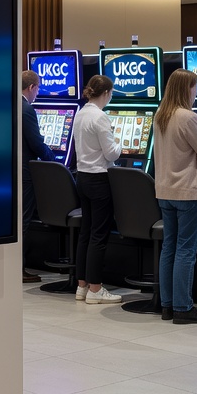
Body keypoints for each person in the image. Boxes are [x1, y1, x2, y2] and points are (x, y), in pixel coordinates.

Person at [152, 69, 197, 323]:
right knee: (185, 251)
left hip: (165, 190)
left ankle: (167, 305)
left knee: (169, 247)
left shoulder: (161, 114)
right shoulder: (188, 117)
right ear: (185, 89)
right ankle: (183, 307)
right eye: (195, 87)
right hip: (188, 191)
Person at [71, 74, 122, 304]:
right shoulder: (100, 117)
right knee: (99, 236)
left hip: (82, 177)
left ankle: (81, 286)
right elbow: (111, 153)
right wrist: (121, 143)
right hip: (100, 179)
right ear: (106, 93)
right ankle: (95, 289)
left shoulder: (80, 114)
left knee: (86, 233)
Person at [21, 70, 55, 283]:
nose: (38, 93)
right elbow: (36, 143)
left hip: (15, 168)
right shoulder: (26, 109)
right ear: (32, 87)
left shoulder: (11, 104)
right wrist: (54, 160)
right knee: (23, 220)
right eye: (39, 88)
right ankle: (19, 268)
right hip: (25, 171)